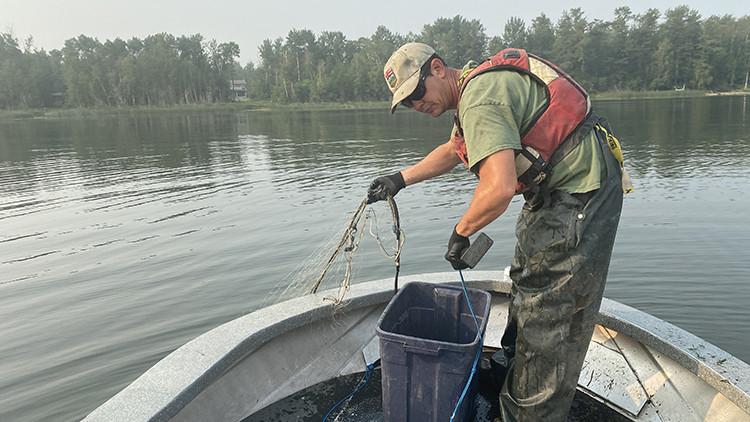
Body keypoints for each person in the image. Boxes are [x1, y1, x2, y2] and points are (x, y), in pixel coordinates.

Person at [367, 42, 631, 421]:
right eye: (407, 103)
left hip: (581, 195)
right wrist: (399, 180)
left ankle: (529, 411)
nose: (417, 105)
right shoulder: (476, 91)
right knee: (526, 280)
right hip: (553, 195)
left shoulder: (479, 99)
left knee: (551, 312)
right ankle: (509, 375)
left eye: (417, 92)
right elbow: (453, 149)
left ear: (438, 69)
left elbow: (499, 189)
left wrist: (461, 233)